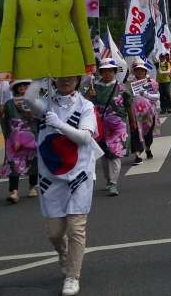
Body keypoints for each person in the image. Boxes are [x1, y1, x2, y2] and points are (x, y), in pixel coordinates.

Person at [23, 74, 99, 296]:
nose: (66, 81)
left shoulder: (85, 105)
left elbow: (85, 138)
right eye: (61, 77)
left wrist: (60, 125)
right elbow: (28, 99)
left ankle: (73, 275)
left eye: (71, 78)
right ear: (54, 80)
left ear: (78, 81)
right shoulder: (45, 105)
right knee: (54, 232)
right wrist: (39, 75)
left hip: (79, 174)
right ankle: (63, 253)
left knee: (76, 227)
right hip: (51, 176)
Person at [86, 60, 129, 196]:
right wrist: (89, 96)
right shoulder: (93, 87)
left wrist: (133, 122)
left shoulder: (122, 87)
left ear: (115, 72)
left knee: (115, 153)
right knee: (104, 154)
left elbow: (129, 105)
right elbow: (85, 105)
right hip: (99, 125)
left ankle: (113, 183)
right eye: (105, 71)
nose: (108, 73)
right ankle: (108, 179)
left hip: (117, 126)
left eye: (110, 71)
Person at [0, 79, 38, 204]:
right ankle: (14, 192)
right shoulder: (9, 104)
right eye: (19, 85)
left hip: (32, 138)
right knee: (12, 165)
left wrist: (34, 115)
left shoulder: (35, 101)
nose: (22, 86)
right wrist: (1, 113)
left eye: (25, 85)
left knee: (33, 163)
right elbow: (4, 121)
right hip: (14, 140)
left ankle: (32, 187)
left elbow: (42, 117)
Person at [128, 59, 161, 164]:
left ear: (145, 71)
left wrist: (146, 95)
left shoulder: (151, 82)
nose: (140, 72)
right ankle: (137, 155)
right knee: (135, 133)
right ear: (134, 71)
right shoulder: (129, 84)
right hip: (135, 113)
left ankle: (147, 148)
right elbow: (126, 98)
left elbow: (157, 96)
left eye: (142, 70)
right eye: (138, 70)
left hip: (149, 113)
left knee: (148, 134)